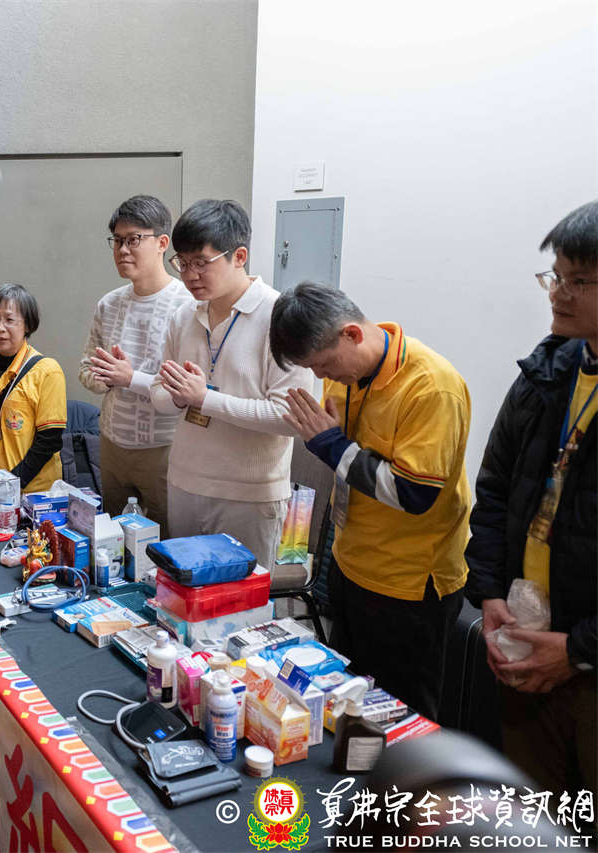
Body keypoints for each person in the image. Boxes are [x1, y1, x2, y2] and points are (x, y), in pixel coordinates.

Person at [272, 282, 472, 719]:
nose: (322, 377)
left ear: (352, 334)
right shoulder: (346, 376)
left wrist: (331, 446)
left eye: (323, 364)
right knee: (349, 705)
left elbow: (414, 493)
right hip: (349, 566)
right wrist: (331, 446)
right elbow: (349, 462)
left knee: (402, 718)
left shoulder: (430, 386)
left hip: (407, 585)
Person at [465, 200, 597, 795]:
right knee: (532, 809)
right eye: (556, 276)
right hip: (526, 633)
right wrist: (490, 593)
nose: (559, 294)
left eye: (579, 281)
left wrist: (577, 650)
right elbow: (494, 488)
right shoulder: (548, 370)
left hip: (584, 656)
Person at [148, 200, 317, 567]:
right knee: (185, 592)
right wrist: (178, 398)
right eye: (182, 263)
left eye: (201, 263)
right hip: (184, 483)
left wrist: (204, 399)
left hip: (249, 496)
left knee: (243, 597)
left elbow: (290, 417)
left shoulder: (280, 317)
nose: (190, 275)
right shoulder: (183, 316)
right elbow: (159, 394)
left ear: (239, 256)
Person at [80, 195, 190, 530]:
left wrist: (129, 377)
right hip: (112, 442)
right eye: (117, 240)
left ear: (162, 243)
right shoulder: (109, 303)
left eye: (134, 240)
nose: (123, 250)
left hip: (164, 446)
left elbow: (186, 390)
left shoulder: (187, 306)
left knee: (165, 540)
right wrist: (104, 377)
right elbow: (86, 369)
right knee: (113, 538)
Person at [0, 283, 68, 496]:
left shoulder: (47, 371)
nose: (0, 328)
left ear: (27, 324)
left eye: (9, 320)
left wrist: (9, 486)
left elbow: (49, 440)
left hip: (32, 492)